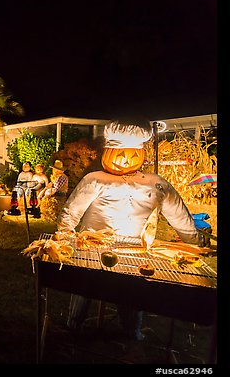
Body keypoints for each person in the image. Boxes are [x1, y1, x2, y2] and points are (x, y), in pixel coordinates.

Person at [57, 118, 200, 341]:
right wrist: (65, 235)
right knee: (85, 284)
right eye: (119, 152)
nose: (124, 159)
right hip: (93, 243)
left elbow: (178, 212)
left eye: (132, 153)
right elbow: (72, 210)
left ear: (141, 153)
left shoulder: (155, 183)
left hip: (135, 248)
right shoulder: (95, 180)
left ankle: (131, 331)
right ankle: (74, 323)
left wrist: (193, 240)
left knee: (131, 290)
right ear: (108, 152)